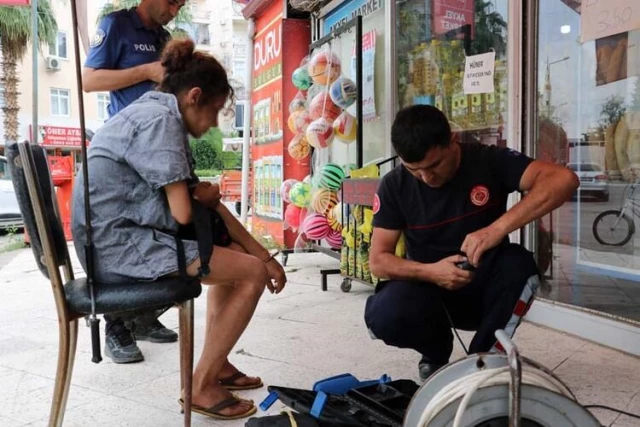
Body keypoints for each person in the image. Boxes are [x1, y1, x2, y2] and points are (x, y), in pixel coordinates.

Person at [72, 39, 286, 420]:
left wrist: (262, 252)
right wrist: (260, 260)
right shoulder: (161, 123)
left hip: (115, 239)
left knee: (232, 253)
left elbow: (209, 210)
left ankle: (216, 364)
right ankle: (200, 386)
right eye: (216, 112)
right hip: (118, 249)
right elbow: (186, 213)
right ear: (194, 96)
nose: (215, 123)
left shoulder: (157, 112)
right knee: (250, 274)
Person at [365, 105, 578, 381]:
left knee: (520, 265)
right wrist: (432, 272)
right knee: (385, 313)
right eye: (414, 170)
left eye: (434, 165)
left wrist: (496, 230)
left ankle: (481, 360)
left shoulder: (488, 161)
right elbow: (378, 260)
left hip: (482, 290)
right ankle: (435, 351)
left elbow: (564, 180)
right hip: (428, 296)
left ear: (452, 140)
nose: (427, 178)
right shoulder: (394, 185)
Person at [82, 0, 185, 363]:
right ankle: (116, 325)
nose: (175, 10)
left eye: (181, 5)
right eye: (172, 2)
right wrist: (144, 71)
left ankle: (146, 314)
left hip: (159, 145)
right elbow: (89, 79)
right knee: (123, 233)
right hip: (124, 152)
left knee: (169, 229)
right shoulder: (116, 25)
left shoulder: (165, 37)